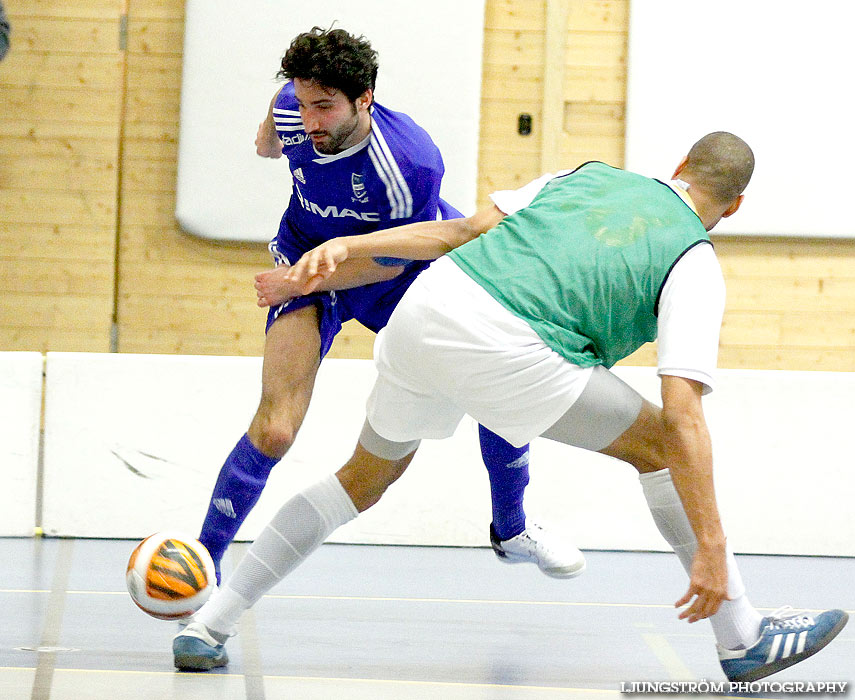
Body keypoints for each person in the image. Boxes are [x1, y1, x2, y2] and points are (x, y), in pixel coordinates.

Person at [176, 132, 848, 680]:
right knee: (662, 448)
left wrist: (352, 244)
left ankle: (209, 625)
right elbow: (682, 415)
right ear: (732, 208)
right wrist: (711, 543)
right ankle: (740, 634)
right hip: (509, 345)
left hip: (426, 311)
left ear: (675, 167)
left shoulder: (585, 174)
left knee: (359, 479)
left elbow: (462, 230)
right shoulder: (693, 260)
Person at [196, 26, 584, 589]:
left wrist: (296, 284)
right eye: (302, 104)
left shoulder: (410, 164)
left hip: (396, 271)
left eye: (324, 107)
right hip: (308, 264)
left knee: (499, 386)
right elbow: (273, 135)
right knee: (277, 429)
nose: (309, 121)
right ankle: (202, 565)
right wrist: (269, 141)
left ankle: (513, 527)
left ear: (365, 99)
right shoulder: (293, 110)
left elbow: (388, 262)